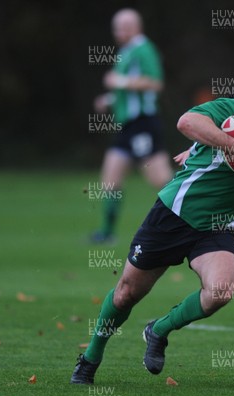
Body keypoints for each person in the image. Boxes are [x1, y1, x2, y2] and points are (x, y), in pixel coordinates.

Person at [71, 59, 234, 384]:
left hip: (219, 226)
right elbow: (187, 121)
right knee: (126, 293)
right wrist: (233, 144)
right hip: (174, 214)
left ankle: (159, 329)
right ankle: (91, 356)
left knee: (221, 291)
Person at [91, 8, 172, 244]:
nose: (118, 32)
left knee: (159, 179)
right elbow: (125, 90)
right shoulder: (126, 52)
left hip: (143, 123)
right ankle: (106, 233)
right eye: (116, 27)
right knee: (110, 179)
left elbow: (155, 84)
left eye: (122, 27)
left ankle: (191, 217)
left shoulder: (144, 49)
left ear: (135, 27)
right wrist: (109, 99)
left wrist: (120, 81)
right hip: (126, 126)